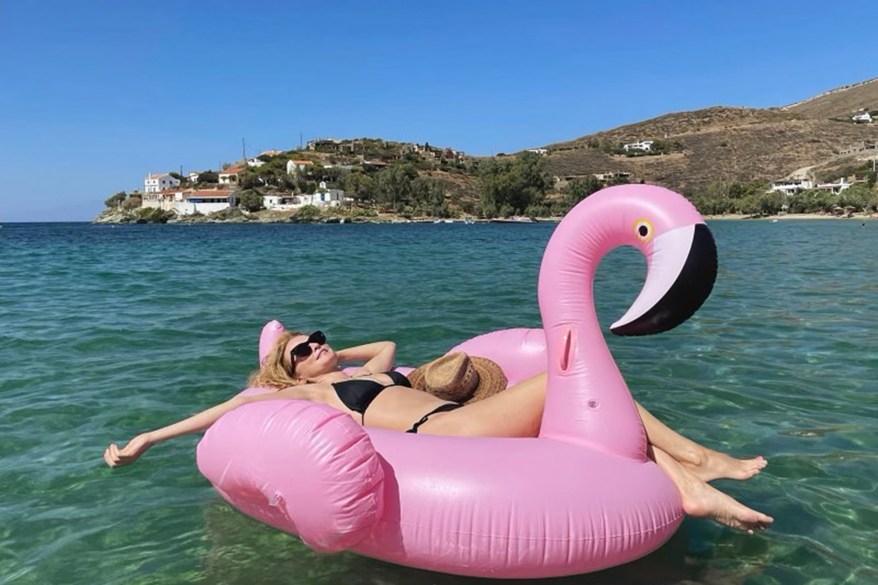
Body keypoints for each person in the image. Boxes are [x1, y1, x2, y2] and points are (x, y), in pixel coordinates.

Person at [105, 329, 773, 533]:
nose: (317, 347)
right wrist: (147, 439)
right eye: (303, 348)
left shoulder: (378, 370)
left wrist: (315, 342)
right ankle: (698, 462)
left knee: (594, 407)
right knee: (583, 379)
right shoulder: (309, 388)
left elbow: (387, 344)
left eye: (319, 338)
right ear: (290, 371)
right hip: (452, 433)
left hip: (462, 421)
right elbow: (220, 411)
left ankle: (693, 478)